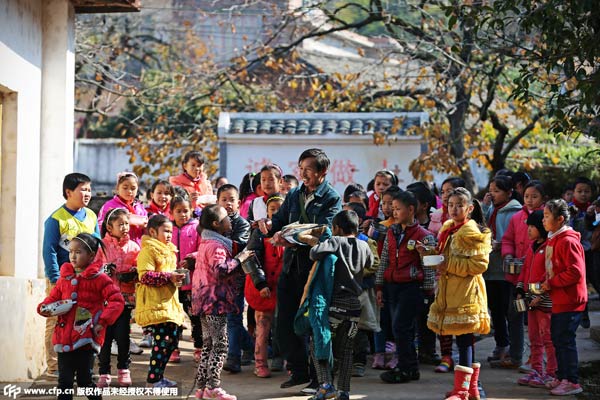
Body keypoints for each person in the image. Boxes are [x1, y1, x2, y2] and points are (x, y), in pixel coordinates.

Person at [260, 148, 342, 392]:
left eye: (308, 169)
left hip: (315, 268)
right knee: (284, 322)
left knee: (315, 322)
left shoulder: (332, 198)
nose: (303, 173)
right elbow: (280, 220)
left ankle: (320, 379)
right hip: (291, 267)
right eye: (301, 168)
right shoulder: (294, 194)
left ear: (322, 171)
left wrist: (293, 238)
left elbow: (325, 231)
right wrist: (268, 225)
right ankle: (298, 371)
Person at [423, 187, 492, 400]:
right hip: (449, 290)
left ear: (470, 208)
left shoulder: (472, 233)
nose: (454, 209)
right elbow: (443, 257)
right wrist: (426, 253)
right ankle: (469, 390)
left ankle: (462, 391)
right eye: (450, 205)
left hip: (466, 293)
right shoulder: (449, 228)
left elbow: (480, 264)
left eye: (459, 205)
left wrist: (447, 264)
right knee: (462, 339)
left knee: (464, 339)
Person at [38, 233, 124, 400]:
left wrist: (102, 321)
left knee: (85, 382)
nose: (73, 256)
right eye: (70, 252)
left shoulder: (100, 279)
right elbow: (53, 298)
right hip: (63, 338)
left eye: (78, 252)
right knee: (64, 382)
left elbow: (116, 300)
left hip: (87, 337)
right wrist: (44, 308)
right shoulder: (64, 279)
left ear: (91, 255)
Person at [303, 210, 373, 400]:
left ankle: (326, 385)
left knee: (319, 343)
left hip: (335, 305)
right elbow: (370, 263)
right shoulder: (364, 245)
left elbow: (314, 253)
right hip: (354, 307)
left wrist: (319, 240)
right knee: (346, 349)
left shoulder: (334, 241)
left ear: (337, 228)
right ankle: (344, 391)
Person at [42, 173, 100, 377]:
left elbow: (98, 247)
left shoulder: (92, 216)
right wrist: (57, 280)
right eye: (83, 189)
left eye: (88, 189)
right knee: (57, 322)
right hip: (62, 281)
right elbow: (48, 250)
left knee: (85, 322)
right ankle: (54, 366)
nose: (87, 194)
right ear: (68, 192)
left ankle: (83, 367)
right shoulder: (56, 219)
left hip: (88, 281)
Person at [375, 191, 436, 384]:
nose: (394, 212)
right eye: (392, 209)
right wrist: (379, 285)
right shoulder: (391, 232)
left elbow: (430, 265)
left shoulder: (424, 236)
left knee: (401, 326)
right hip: (392, 286)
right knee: (401, 328)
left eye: (398, 209)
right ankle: (410, 368)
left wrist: (427, 290)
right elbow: (384, 259)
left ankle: (404, 367)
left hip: (412, 287)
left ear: (411, 210)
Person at [192, 204, 244, 400]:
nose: (229, 219)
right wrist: (239, 260)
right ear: (217, 224)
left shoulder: (206, 243)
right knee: (220, 345)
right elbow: (220, 270)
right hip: (215, 302)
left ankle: (201, 388)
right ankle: (213, 387)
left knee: (208, 345)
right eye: (225, 218)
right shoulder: (217, 246)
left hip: (203, 302)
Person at [497, 180, 546, 371]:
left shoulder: (545, 217)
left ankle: (537, 359)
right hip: (517, 280)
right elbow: (508, 239)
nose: (530, 200)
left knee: (537, 318)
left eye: (535, 196)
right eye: (527, 196)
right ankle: (517, 355)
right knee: (515, 313)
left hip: (536, 281)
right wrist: (508, 255)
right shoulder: (517, 217)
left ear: (543, 198)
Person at [541, 199, 587, 396]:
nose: (543, 220)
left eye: (547, 216)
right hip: (560, 298)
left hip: (570, 300)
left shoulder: (567, 241)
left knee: (565, 340)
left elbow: (575, 272)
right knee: (558, 339)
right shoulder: (553, 238)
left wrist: (551, 283)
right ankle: (562, 376)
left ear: (560, 219)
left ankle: (572, 381)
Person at [135, 214, 186, 388]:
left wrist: (176, 278)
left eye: (171, 231)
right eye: (165, 231)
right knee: (162, 342)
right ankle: (154, 379)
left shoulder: (169, 250)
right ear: (152, 231)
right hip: (155, 304)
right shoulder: (148, 250)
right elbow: (145, 276)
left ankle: (159, 376)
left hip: (168, 304)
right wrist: (169, 277)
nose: (170, 234)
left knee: (171, 341)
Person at [423, 176, 466, 373]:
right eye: (444, 192)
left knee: (463, 322)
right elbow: (434, 246)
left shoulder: (471, 227)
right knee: (442, 317)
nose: (448, 195)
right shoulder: (437, 220)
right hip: (441, 277)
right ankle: (446, 356)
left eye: (453, 191)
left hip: (463, 281)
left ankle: (466, 366)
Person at [96, 209, 140, 388]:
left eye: (127, 224)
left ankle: (124, 370)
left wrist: (133, 274)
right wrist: (106, 270)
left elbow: (140, 269)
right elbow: (94, 269)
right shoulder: (101, 247)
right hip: (105, 302)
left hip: (125, 301)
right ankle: (104, 373)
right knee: (105, 340)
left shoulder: (135, 247)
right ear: (109, 227)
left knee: (123, 338)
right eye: (120, 224)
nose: (125, 228)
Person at [482, 175, 522, 366]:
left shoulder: (515, 212)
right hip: (489, 267)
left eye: (497, 191)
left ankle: (513, 349)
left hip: (506, 268)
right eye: (491, 190)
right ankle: (501, 345)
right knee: (495, 309)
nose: (493, 194)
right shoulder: (490, 209)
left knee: (509, 310)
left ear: (509, 193)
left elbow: (516, 237)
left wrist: (503, 245)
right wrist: (485, 206)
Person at [244, 193, 286, 378]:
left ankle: (280, 359)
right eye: (272, 209)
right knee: (262, 327)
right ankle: (260, 363)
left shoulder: (291, 233)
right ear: (267, 212)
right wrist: (260, 283)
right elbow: (251, 259)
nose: (275, 213)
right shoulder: (259, 232)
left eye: (280, 210)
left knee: (282, 327)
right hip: (262, 288)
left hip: (282, 289)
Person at [514, 210, 557, 389]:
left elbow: (550, 274)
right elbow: (525, 271)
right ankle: (536, 370)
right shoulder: (532, 248)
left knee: (547, 338)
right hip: (530, 300)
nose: (529, 230)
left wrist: (540, 296)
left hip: (544, 302)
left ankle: (551, 373)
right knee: (533, 338)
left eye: (532, 226)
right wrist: (519, 289)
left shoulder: (549, 247)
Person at [216, 184, 252, 373]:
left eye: (232, 200)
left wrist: (217, 244)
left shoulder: (242, 224)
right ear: (217, 202)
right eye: (224, 199)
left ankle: (233, 358)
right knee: (227, 319)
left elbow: (239, 247)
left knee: (233, 318)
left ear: (239, 203)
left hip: (236, 278)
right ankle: (253, 347)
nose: (228, 204)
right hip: (218, 278)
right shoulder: (213, 223)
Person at [407, 182, 440, 366]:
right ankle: (417, 351)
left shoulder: (434, 225)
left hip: (431, 278)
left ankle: (429, 351)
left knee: (429, 317)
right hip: (411, 277)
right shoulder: (405, 224)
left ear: (424, 205)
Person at [169, 195, 202, 364]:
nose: (182, 214)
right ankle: (173, 348)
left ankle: (198, 347)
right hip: (172, 283)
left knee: (195, 316)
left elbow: (202, 248)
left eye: (186, 211)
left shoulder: (196, 228)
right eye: (178, 211)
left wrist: (192, 259)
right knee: (173, 317)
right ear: (171, 212)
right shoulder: (167, 228)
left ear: (191, 210)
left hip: (192, 282)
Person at [568, 177, 595, 329]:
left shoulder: (594, 209)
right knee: (580, 283)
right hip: (575, 252)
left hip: (591, 250)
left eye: (586, 191)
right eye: (579, 191)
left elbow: (595, 226)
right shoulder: (569, 209)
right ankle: (582, 313)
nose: (583, 194)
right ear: (573, 192)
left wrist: (592, 216)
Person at [98, 172, 147, 244]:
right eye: (125, 188)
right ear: (117, 187)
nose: (129, 191)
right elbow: (100, 226)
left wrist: (145, 225)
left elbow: (146, 225)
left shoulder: (140, 207)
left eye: (133, 188)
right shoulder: (110, 206)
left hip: (137, 247)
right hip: (116, 246)